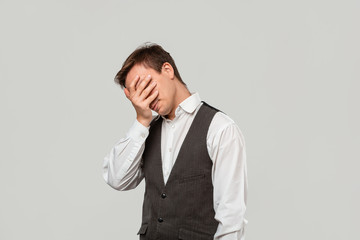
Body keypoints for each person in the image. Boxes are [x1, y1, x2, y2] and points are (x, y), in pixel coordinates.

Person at [102, 43, 248, 240]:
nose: (144, 97)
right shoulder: (146, 131)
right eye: (136, 92)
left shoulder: (220, 129)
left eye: (146, 85)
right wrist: (141, 120)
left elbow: (232, 219)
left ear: (167, 70)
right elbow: (117, 179)